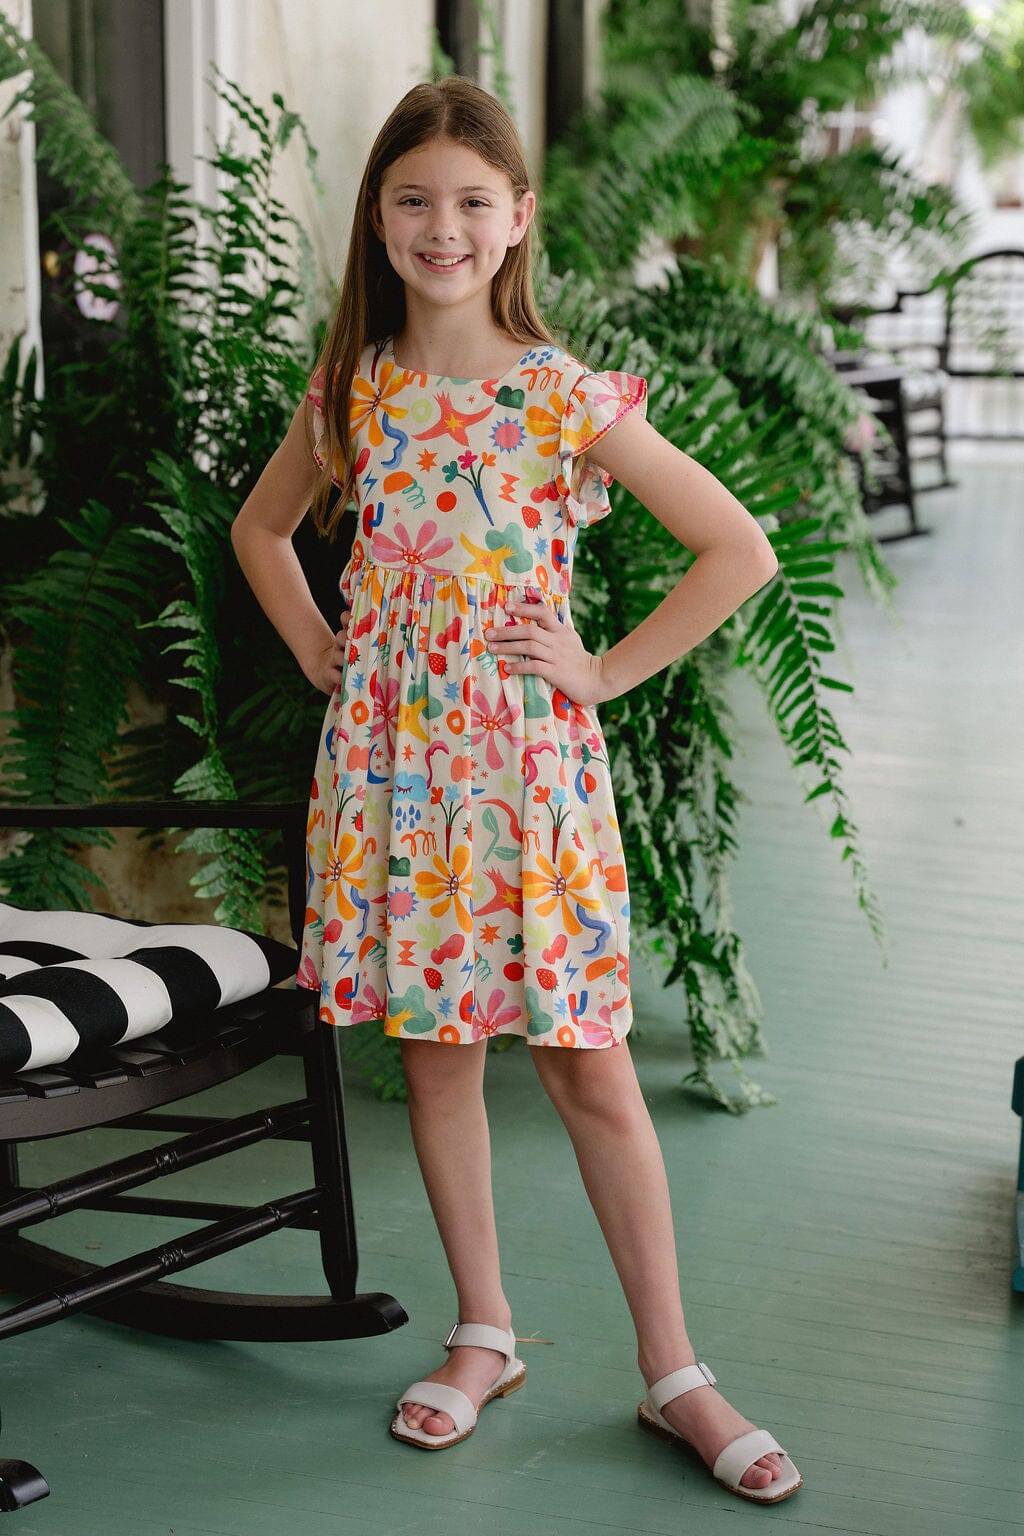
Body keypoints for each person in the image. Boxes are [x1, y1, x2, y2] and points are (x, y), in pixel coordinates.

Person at [231, 76, 801, 1505]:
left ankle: (674, 1370)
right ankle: (483, 1331)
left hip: (525, 771)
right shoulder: (354, 389)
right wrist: (320, 648)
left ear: (518, 219)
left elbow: (737, 550)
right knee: (437, 1055)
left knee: (584, 1060)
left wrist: (602, 672)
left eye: (472, 202)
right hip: (394, 773)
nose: (443, 227)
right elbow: (261, 530)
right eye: (414, 199)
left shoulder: (558, 394)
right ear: (378, 218)